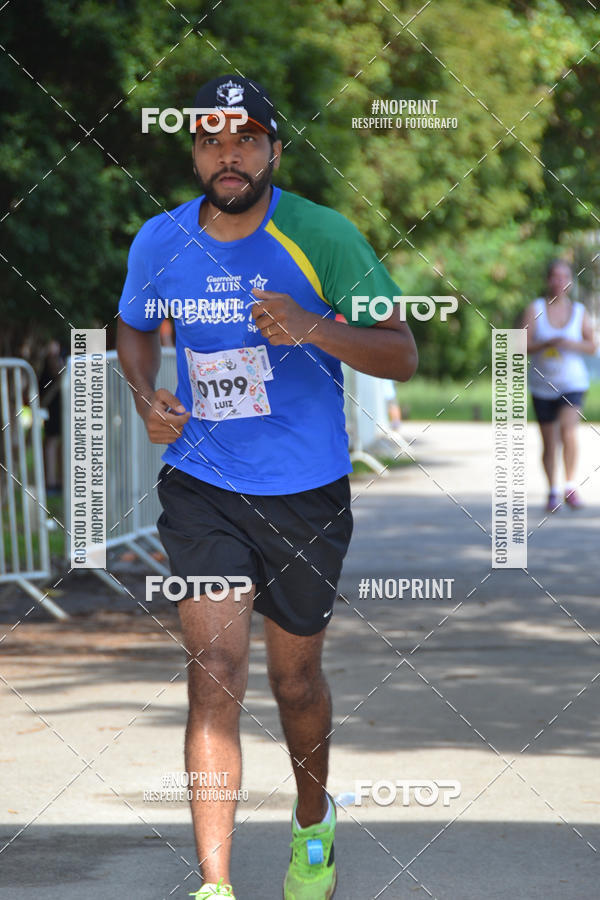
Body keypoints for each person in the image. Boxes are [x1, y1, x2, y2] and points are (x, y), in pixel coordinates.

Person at [117, 74, 417, 900]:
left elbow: (401, 352)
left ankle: (313, 821)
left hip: (306, 491)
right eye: (212, 139)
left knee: (294, 682)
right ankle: (214, 884)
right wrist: (148, 398)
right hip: (202, 483)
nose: (228, 154)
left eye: (246, 138)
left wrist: (316, 324)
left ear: (274, 149)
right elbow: (134, 331)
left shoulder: (323, 236)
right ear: (194, 151)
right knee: (213, 667)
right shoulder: (160, 241)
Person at [523, 259, 597, 512]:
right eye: (555, 276)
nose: (559, 281)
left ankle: (569, 485)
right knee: (549, 441)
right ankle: (552, 490)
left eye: (564, 277)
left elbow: (591, 345)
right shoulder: (535, 309)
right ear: (548, 280)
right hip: (542, 385)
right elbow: (519, 344)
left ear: (570, 282)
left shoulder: (579, 311)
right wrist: (546, 344)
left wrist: (569, 343)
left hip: (572, 383)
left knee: (568, 431)